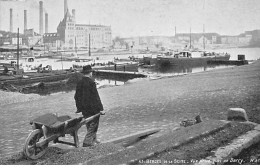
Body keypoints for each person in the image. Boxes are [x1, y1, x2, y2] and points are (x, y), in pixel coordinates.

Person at [74, 65, 105, 147]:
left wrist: (79, 108)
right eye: (91, 72)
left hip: (84, 109)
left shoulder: (80, 82)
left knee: (88, 124)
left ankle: (94, 140)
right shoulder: (91, 83)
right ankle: (87, 143)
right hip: (93, 109)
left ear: (84, 73)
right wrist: (101, 109)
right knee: (93, 126)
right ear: (90, 73)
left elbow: (76, 96)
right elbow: (96, 97)